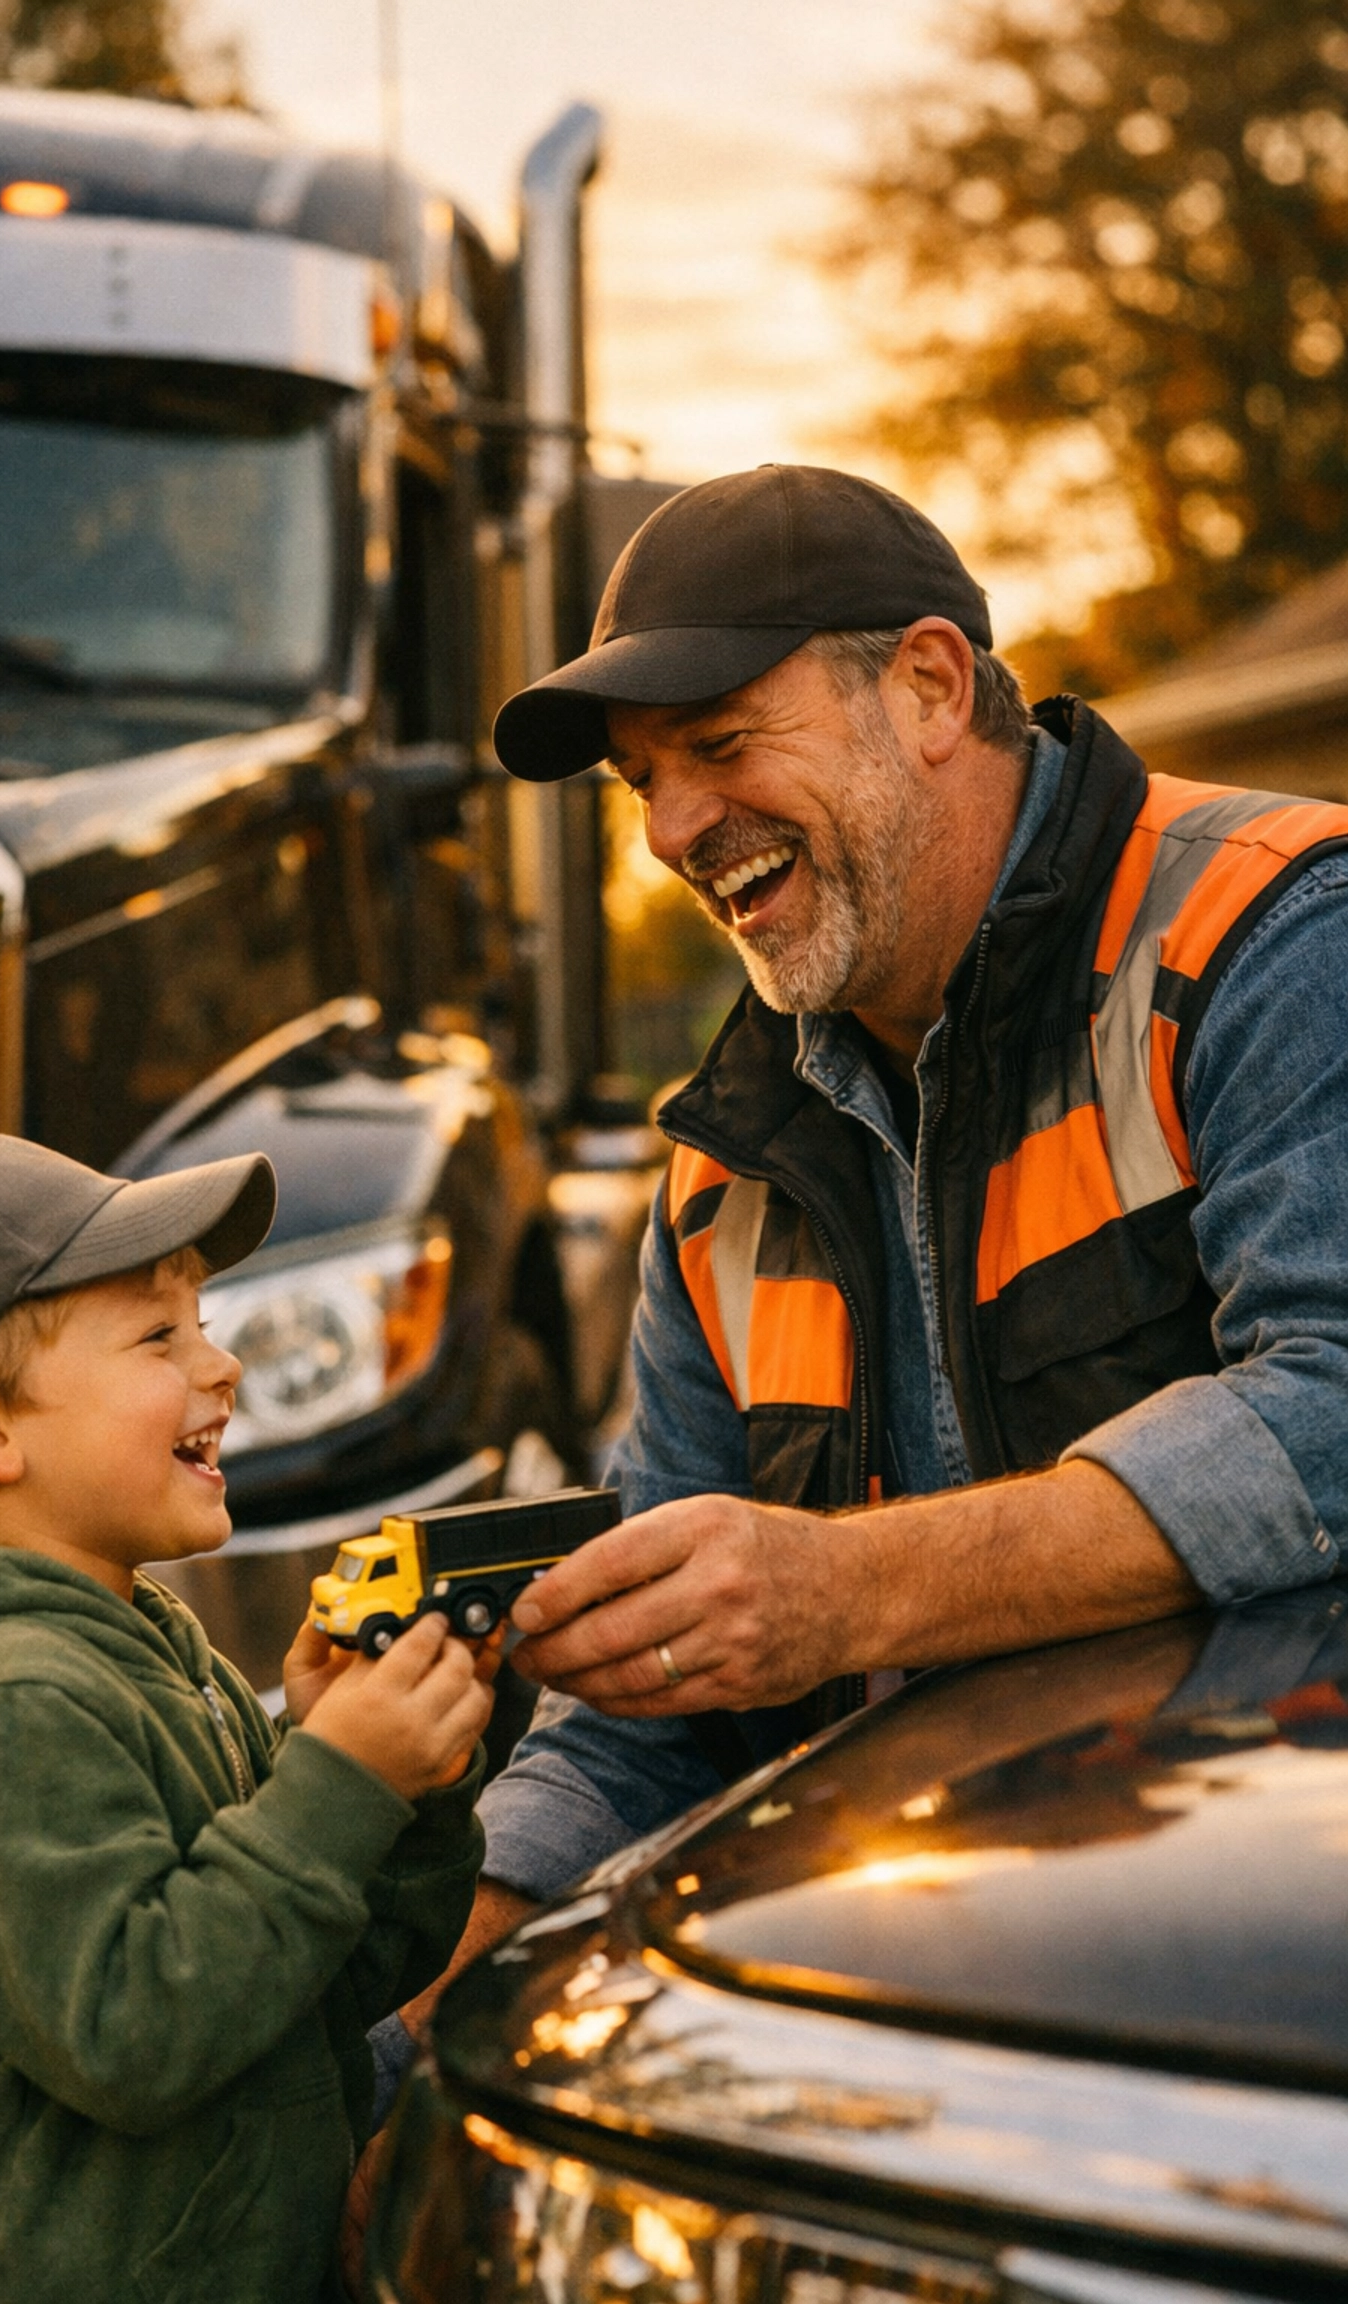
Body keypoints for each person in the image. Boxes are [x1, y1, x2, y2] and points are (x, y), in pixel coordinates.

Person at [370, 461, 1348, 2081]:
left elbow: (1331, 1411)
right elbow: (647, 1707)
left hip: (1273, 2023)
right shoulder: (720, 1169)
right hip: (907, 2007)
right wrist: (413, 2037)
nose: (675, 827)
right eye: (640, 784)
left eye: (720, 745)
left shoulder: (1276, 929)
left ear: (928, 686)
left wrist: (843, 1593)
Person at [0, 1133, 492, 2304]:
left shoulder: (155, 1649)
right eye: (158, 1336)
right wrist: (334, 1785)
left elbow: (306, 1980)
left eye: (207, 1323)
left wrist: (404, 1801)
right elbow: (137, 2029)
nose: (222, 1371)